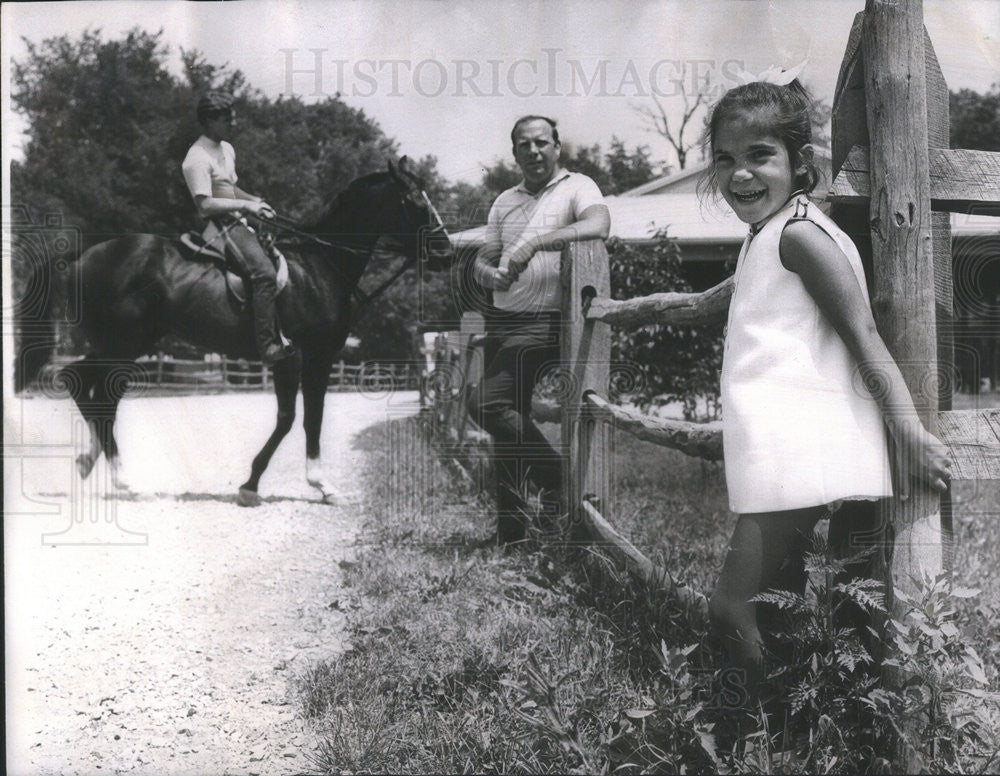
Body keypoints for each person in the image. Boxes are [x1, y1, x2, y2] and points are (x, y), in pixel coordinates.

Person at [702, 79, 954, 709]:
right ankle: (801, 723)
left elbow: (863, 334)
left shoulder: (800, 235)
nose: (741, 176)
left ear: (799, 162)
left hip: (799, 453)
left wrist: (909, 432)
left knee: (732, 606)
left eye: (760, 155)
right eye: (726, 159)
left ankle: (760, 739)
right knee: (777, 601)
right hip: (780, 450)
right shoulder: (773, 231)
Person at [466, 116, 611, 546]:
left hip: (547, 320)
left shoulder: (577, 186)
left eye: (541, 143)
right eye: (524, 145)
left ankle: (554, 477)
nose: (533, 152)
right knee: (508, 424)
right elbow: (483, 258)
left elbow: (598, 226)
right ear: (514, 153)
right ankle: (512, 535)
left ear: (557, 147)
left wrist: (534, 243)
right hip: (504, 319)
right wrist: (488, 274)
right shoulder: (504, 200)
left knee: (486, 404)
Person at [181, 91, 293, 366]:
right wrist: (245, 208)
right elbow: (204, 205)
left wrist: (255, 201)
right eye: (227, 118)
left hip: (238, 220)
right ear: (210, 120)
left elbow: (229, 188)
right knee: (265, 274)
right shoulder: (195, 158)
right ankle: (266, 346)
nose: (233, 122)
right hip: (219, 227)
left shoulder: (227, 149)